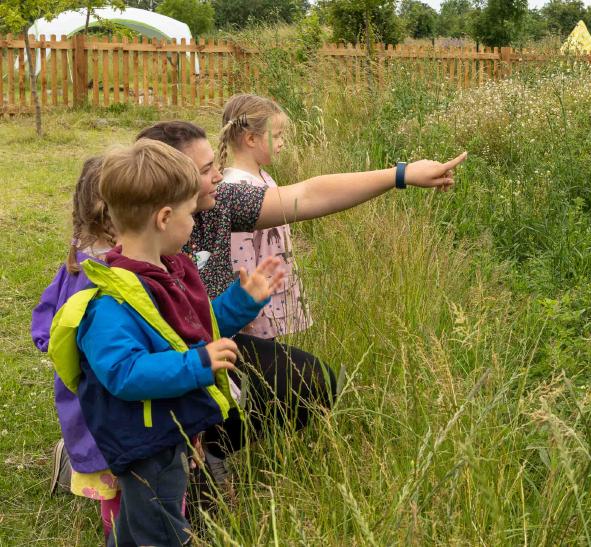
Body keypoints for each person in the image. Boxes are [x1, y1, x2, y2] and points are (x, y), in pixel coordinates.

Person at [134, 120, 466, 476]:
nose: (218, 175)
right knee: (187, 518)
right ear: (168, 182)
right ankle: (105, 461)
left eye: (214, 163)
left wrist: (400, 175)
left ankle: (214, 451)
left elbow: (305, 196)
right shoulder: (135, 241)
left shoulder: (218, 204)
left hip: (211, 342)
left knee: (315, 381)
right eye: (205, 169)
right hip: (157, 371)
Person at [47, 140, 285, 546]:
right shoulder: (111, 302)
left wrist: (241, 304)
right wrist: (198, 364)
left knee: (137, 529)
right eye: (190, 214)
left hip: (165, 430)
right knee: (162, 531)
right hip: (144, 443)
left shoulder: (165, 270)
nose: (194, 224)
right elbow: (125, 373)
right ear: (164, 218)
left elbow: (192, 325)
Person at [31, 157, 123, 540]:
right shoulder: (98, 269)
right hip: (102, 395)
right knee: (116, 483)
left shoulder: (82, 257)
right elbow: (49, 327)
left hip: (96, 393)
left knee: (118, 477)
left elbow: (43, 323)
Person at [218, 94, 311, 340]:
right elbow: (240, 256)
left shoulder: (264, 177)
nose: (282, 142)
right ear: (250, 138)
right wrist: (246, 306)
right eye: (277, 135)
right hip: (256, 302)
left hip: (271, 289)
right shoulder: (236, 188)